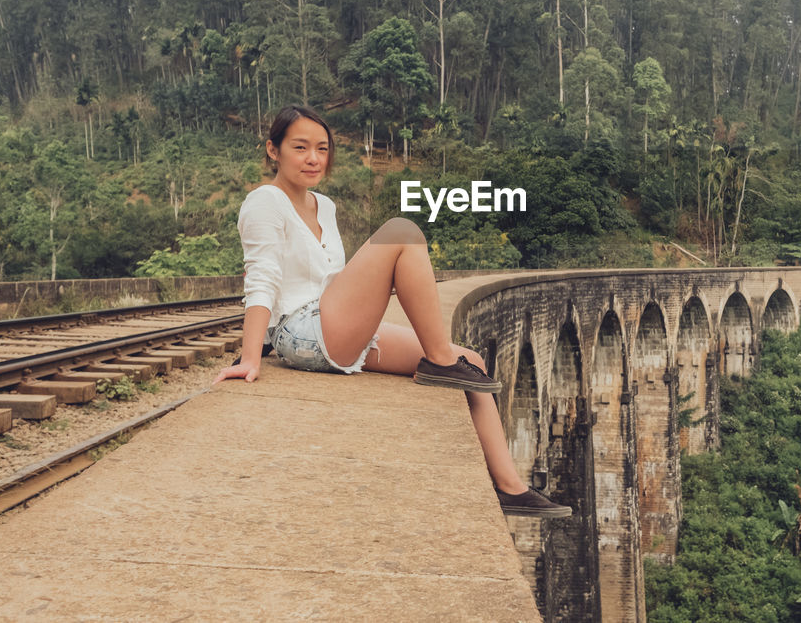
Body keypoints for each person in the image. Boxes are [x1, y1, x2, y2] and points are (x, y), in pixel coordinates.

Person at [213, 105, 569, 519]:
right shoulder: (263, 202)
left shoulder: (323, 206)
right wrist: (252, 354)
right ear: (273, 150)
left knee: (472, 362)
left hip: (336, 325)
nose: (314, 158)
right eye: (300, 147)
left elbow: (333, 280)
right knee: (402, 231)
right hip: (303, 332)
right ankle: (440, 361)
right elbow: (263, 280)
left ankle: (510, 487)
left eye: (322, 149)